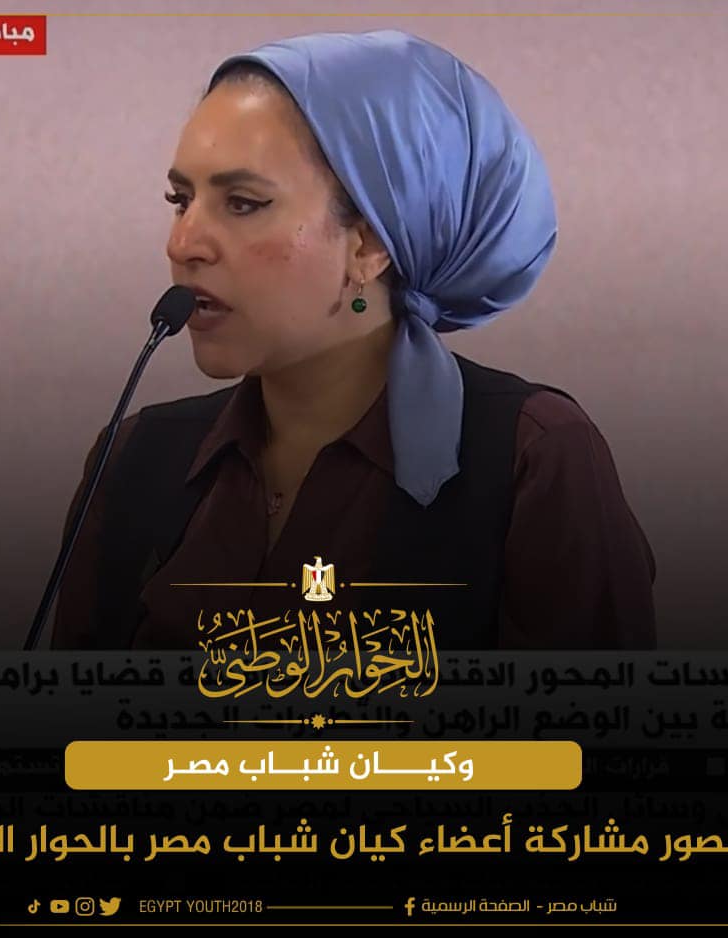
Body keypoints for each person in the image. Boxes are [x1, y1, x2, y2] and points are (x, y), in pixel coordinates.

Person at [51, 29, 656, 650]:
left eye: (243, 203)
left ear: (367, 246)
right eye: (181, 200)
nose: (182, 244)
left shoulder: (533, 458)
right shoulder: (132, 460)